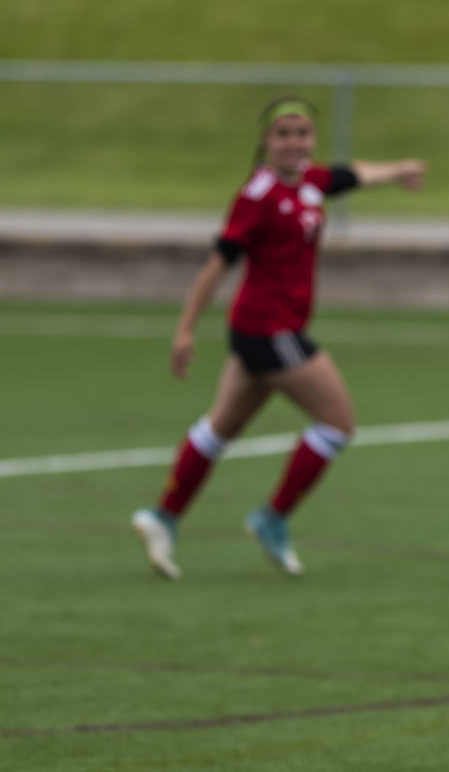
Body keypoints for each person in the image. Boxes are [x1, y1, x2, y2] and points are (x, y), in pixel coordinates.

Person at [130, 95, 426, 579]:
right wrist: (185, 329)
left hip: (263, 331)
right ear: (266, 142)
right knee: (337, 425)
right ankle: (272, 517)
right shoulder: (257, 196)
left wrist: (398, 171)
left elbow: (351, 175)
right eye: (283, 133)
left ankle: (163, 518)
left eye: (302, 133)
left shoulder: (310, 182)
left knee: (218, 428)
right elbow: (217, 264)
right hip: (271, 329)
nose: (294, 142)